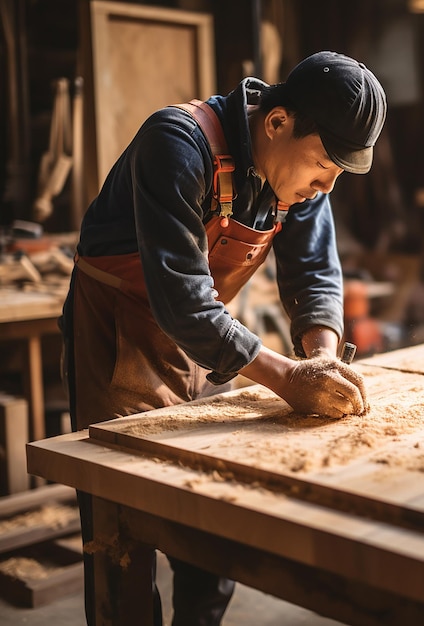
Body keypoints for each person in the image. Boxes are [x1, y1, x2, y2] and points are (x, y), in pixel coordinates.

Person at [61, 50, 387, 625]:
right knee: (123, 540)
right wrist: (286, 377)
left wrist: (323, 361)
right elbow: (181, 297)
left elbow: (313, 273)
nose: (325, 187)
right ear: (278, 122)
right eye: (321, 167)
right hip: (119, 337)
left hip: (203, 344)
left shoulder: (302, 179)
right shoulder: (178, 143)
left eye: (337, 174)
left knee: (211, 519)